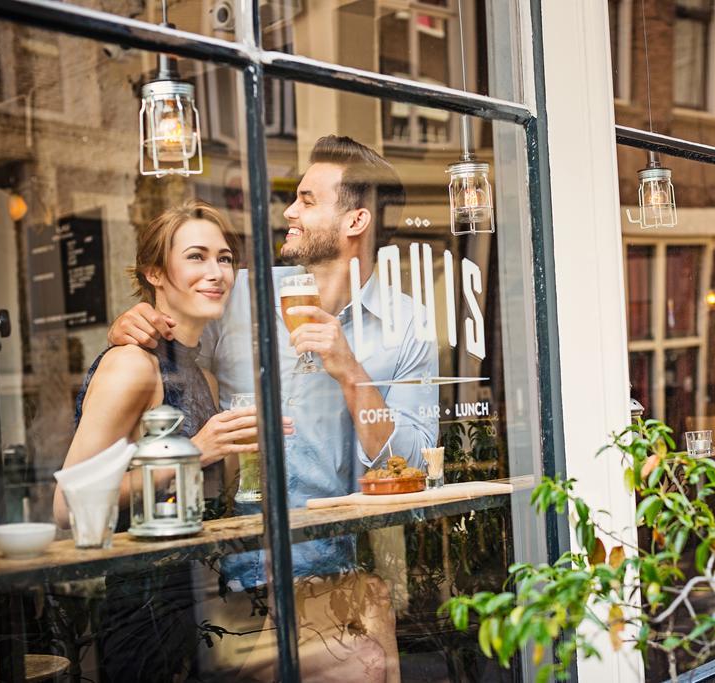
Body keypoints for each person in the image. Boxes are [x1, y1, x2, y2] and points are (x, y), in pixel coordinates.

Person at [108, 136, 439, 682]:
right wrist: (135, 326)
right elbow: (169, 361)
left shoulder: (407, 327)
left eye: (307, 199)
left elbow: (414, 467)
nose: (289, 211)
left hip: (329, 574)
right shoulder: (240, 294)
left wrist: (351, 373)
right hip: (220, 578)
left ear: (356, 219)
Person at [54, 200, 289, 682]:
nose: (217, 272)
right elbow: (68, 505)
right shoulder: (133, 365)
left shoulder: (203, 377)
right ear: (155, 273)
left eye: (224, 258)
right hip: (146, 614)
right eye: (197, 257)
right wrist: (197, 450)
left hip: (209, 608)